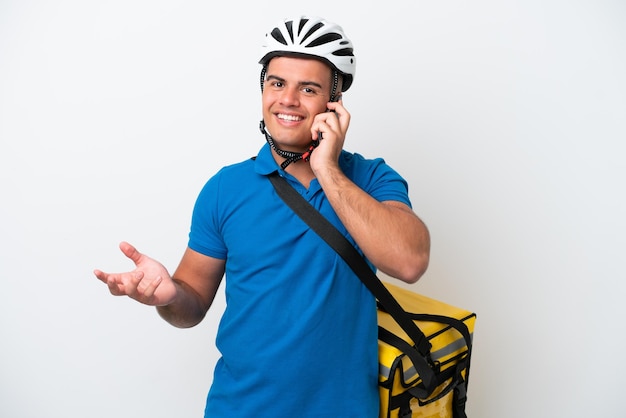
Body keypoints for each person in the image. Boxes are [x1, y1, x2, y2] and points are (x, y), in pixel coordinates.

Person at [94, 15, 430, 418]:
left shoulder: (371, 178)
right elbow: (191, 306)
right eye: (276, 83)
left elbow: (409, 262)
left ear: (334, 101)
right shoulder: (225, 188)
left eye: (308, 88)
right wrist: (168, 296)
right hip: (240, 409)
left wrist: (327, 168)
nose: (287, 100)